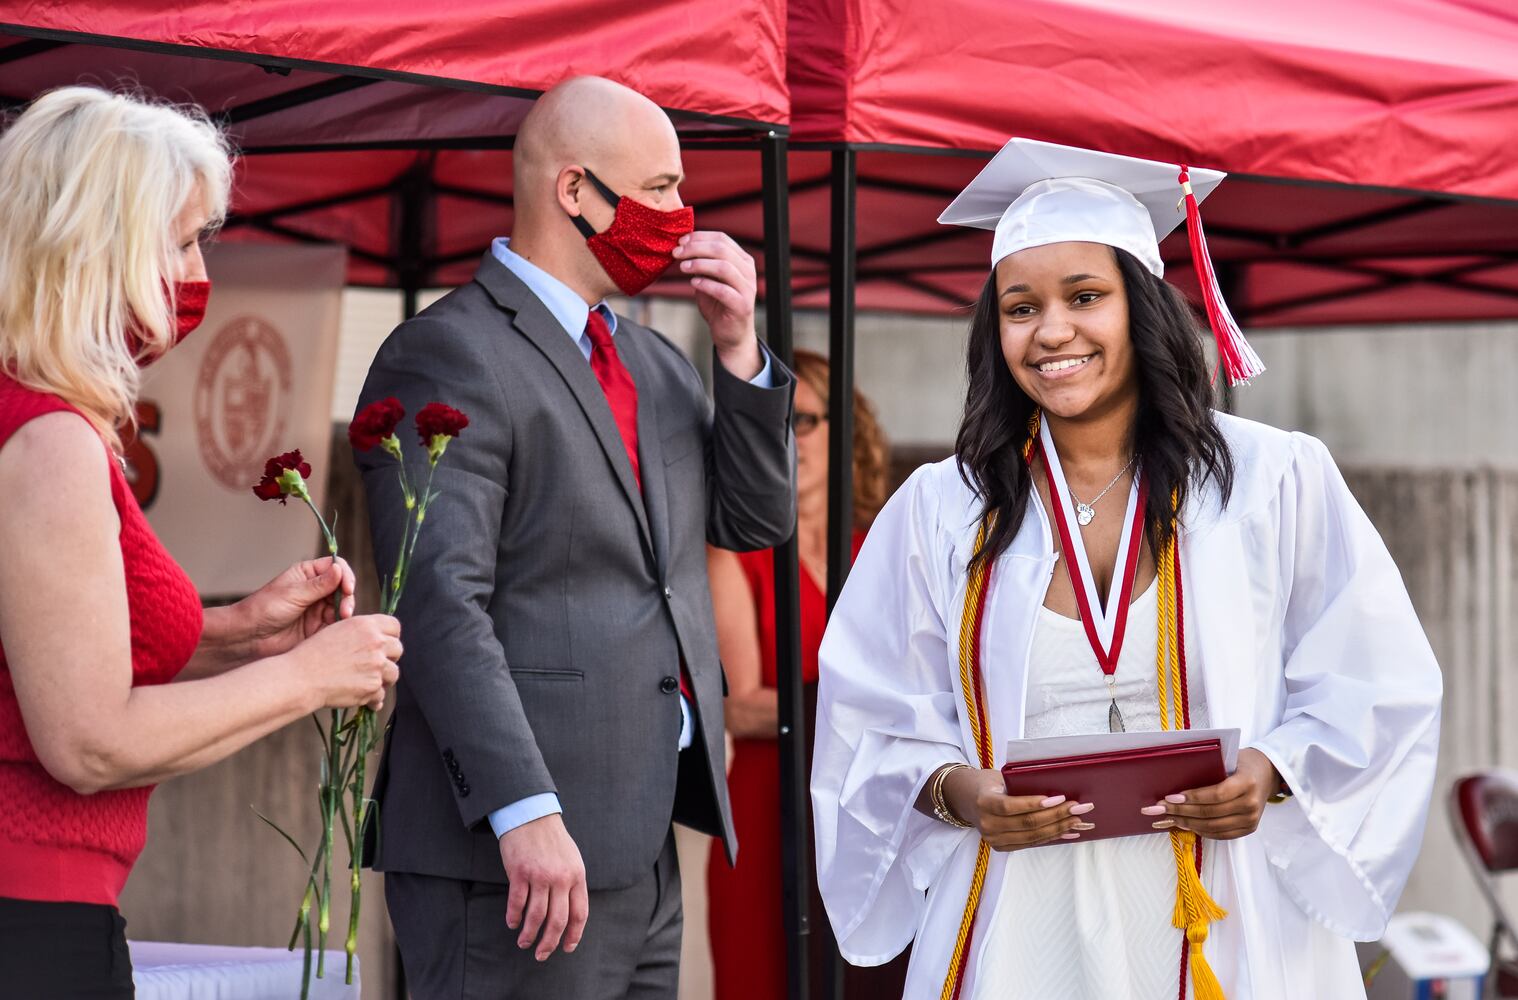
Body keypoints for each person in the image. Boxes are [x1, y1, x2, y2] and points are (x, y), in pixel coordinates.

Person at [810, 138, 1443, 1000]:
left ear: (1141, 307)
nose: (1053, 331)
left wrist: (1273, 770)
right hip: (1021, 913)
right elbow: (869, 715)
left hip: (1224, 906)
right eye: (1020, 307)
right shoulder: (940, 510)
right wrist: (962, 793)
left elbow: (1377, 677)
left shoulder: (1270, 479)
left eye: (1085, 296)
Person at [354, 75, 795, 999]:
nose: (683, 215)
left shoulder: (655, 360)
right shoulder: (450, 351)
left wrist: (740, 350)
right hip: (517, 853)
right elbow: (440, 601)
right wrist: (524, 810)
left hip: (643, 842)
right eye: (663, 188)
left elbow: (753, 521)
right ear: (574, 191)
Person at [0, 87, 404, 999]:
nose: (196, 272)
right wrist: (308, 677)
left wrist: (241, 632)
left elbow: (48, 648)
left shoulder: (36, 419)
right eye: (182, 242)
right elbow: (89, 739)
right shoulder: (48, 439)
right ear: (98, 249)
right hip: (32, 912)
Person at [705, 348, 901, 1000]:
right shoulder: (737, 553)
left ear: (846, 430)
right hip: (771, 809)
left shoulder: (877, 549)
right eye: (778, 421)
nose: (791, 436)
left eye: (808, 420)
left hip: (867, 808)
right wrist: (856, 706)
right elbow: (739, 706)